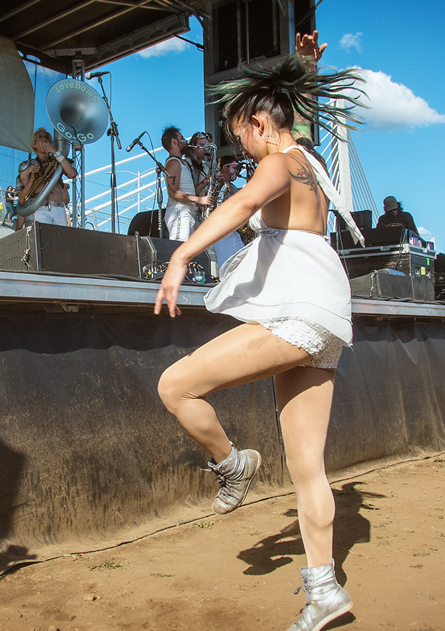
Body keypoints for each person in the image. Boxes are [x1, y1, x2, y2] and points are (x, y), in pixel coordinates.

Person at [154, 55, 365, 631]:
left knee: (175, 386)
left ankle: (233, 463)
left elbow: (244, 203)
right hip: (326, 318)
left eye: (238, 134)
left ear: (258, 123)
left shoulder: (279, 162)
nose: (240, 147)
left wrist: (181, 254)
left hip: (298, 312)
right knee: (307, 468)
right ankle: (324, 590)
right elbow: (266, 179)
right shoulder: (312, 164)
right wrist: (302, 61)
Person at [16, 128, 76, 230]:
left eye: (47, 138)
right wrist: (31, 172)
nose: (44, 140)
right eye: (40, 138)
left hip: (59, 208)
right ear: (34, 145)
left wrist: (55, 151)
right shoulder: (28, 165)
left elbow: (72, 174)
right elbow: (22, 194)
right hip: (41, 207)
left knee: (60, 242)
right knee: (44, 240)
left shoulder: (58, 162)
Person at [162, 126, 211, 242]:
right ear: (174, 141)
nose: (185, 141)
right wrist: (199, 200)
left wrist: (207, 180)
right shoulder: (173, 162)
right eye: (182, 138)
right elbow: (173, 193)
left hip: (187, 213)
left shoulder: (181, 163)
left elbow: (192, 191)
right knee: (179, 248)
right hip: (179, 212)